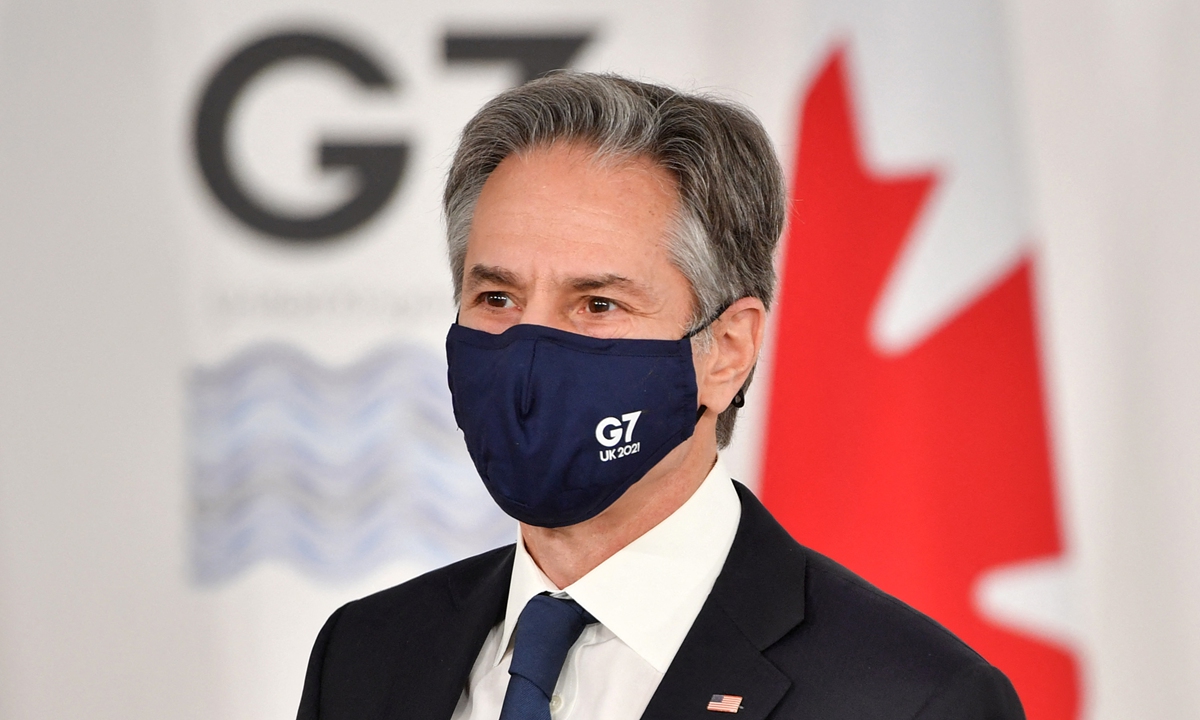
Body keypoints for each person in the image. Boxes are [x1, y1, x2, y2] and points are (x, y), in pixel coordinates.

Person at [297, 72, 1025, 720]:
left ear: (727, 351)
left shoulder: (915, 699)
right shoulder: (364, 657)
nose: (530, 350)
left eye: (599, 304)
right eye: (496, 296)